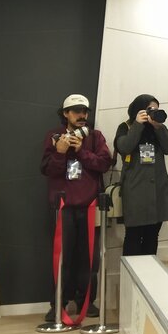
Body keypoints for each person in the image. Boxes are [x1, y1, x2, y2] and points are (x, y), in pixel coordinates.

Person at [41, 94, 110, 321]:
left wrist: (81, 151)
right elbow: (48, 170)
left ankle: (86, 302)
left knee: (89, 260)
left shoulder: (95, 137)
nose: (82, 115)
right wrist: (60, 152)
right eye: (77, 111)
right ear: (65, 113)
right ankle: (58, 303)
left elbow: (104, 163)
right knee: (61, 258)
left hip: (90, 206)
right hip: (62, 207)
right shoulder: (54, 137)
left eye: (85, 111)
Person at [115, 94, 168, 256]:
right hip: (135, 192)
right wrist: (137, 125)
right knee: (133, 236)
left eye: (156, 109)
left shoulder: (158, 128)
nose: (153, 112)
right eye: (150, 109)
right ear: (139, 109)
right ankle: (130, 272)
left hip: (158, 191)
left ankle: (149, 270)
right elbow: (124, 147)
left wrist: (159, 127)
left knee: (152, 236)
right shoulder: (126, 127)